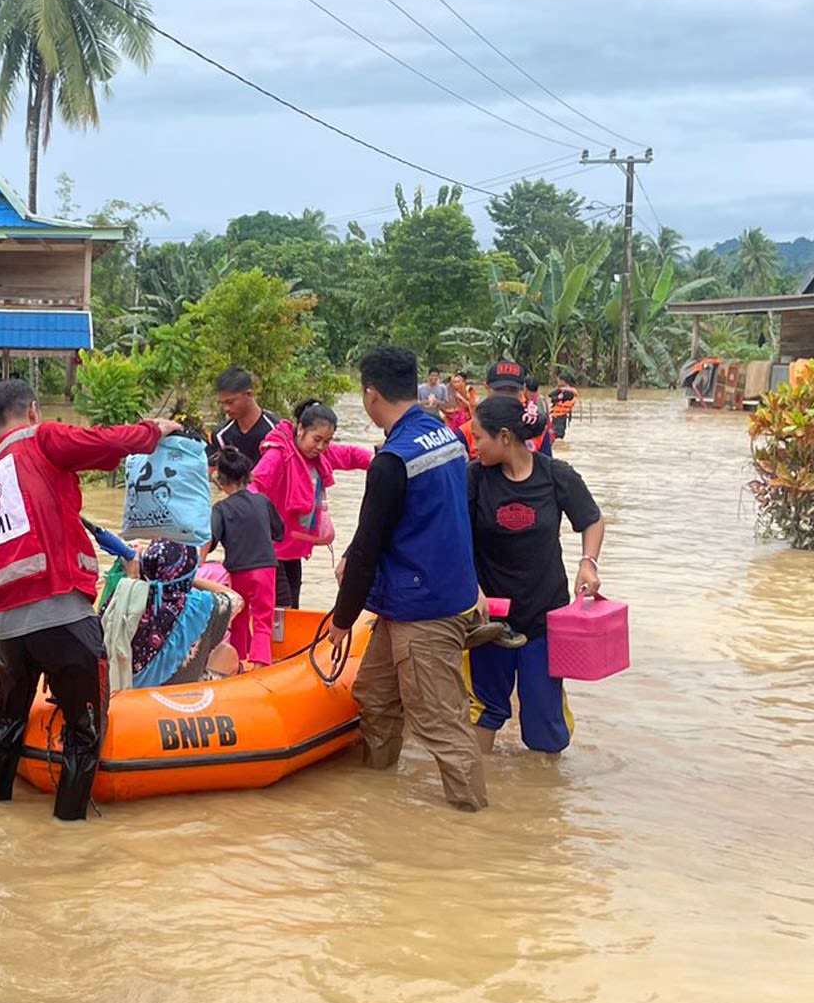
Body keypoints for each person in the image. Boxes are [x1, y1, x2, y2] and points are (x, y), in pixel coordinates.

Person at [0, 379, 182, 821]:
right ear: (32, 411)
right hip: (63, 616)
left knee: (6, 723)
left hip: (7, 630)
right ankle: (69, 833)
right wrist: (153, 430)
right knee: (84, 731)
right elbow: (102, 441)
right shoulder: (39, 438)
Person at [326, 346, 488, 811]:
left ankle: (476, 827)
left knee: (440, 723)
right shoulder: (445, 436)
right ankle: (378, 798)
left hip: (425, 610)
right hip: (417, 595)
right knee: (374, 696)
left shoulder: (392, 460)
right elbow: (442, 518)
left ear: (370, 394)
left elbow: (369, 547)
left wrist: (342, 620)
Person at [466, 393, 605, 755]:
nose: (474, 443)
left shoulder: (556, 475)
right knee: (485, 709)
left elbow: (591, 520)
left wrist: (588, 562)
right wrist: (472, 587)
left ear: (506, 438)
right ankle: (483, 786)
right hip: (489, 621)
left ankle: (544, 800)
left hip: (545, 617)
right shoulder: (475, 479)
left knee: (545, 718)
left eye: (479, 436)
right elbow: (454, 540)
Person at [249, 398, 372, 620]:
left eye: (327, 441)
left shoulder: (321, 454)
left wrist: (382, 460)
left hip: (292, 549)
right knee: (281, 607)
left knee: (292, 606)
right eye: (317, 439)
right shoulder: (278, 454)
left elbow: (352, 455)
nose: (321, 447)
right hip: (269, 548)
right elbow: (253, 487)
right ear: (300, 430)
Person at [205, 446, 284, 666]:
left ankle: (238, 663)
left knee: (239, 619)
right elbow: (279, 531)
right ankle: (259, 664)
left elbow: (210, 542)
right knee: (262, 621)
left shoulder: (220, 509)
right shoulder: (262, 501)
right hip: (265, 569)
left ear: (221, 480)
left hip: (238, 571)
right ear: (247, 475)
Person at [126, 540, 240, 685]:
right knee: (226, 654)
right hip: (175, 691)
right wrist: (191, 579)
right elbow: (236, 600)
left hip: (128, 690)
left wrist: (135, 574)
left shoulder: (127, 597)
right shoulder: (199, 604)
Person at [210, 366, 281, 464]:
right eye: (222, 403)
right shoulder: (221, 436)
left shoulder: (276, 431)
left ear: (249, 394)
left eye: (230, 402)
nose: (226, 409)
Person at [549, 371, 580, 440]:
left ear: (563, 381)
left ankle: (559, 449)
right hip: (558, 416)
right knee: (554, 435)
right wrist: (558, 388)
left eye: (559, 380)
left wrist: (558, 390)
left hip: (560, 417)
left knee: (558, 436)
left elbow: (554, 399)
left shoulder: (568, 392)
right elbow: (550, 395)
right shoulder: (563, 390)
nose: (558, 382)